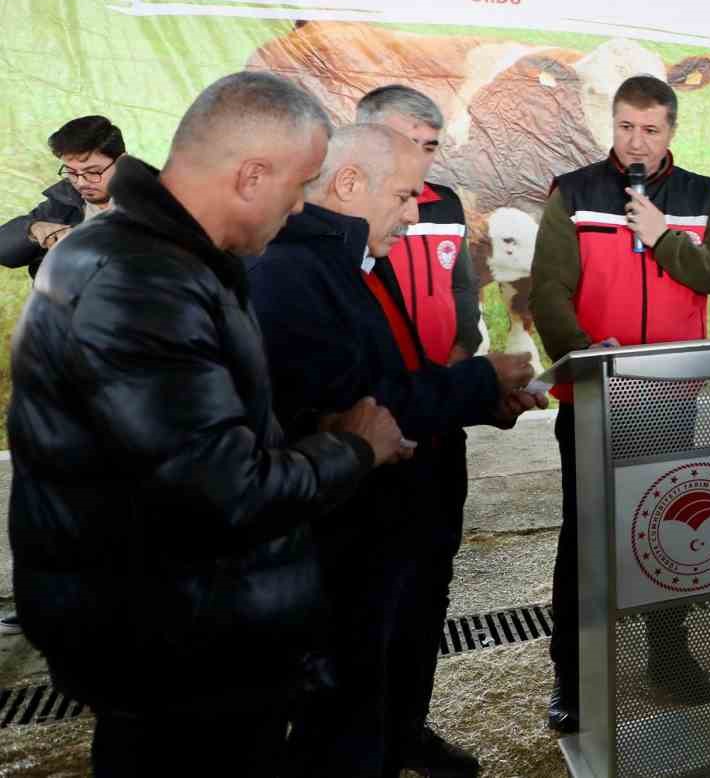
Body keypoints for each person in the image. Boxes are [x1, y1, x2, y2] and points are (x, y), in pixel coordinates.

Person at [6, 73, 412, 778]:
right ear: (253, 175)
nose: (299, 207)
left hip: (186, 630)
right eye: (300, 184)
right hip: (172, 649)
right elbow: (220, 489)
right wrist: (354, 448)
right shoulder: (139, 281)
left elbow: (191, 435)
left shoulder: (172, 261)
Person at [247, 124, 539, 778]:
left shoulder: (345, 262)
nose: (414, 214)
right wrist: (476, 381)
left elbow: (387, 389)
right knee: (340, 736)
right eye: (405, 196)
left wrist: (477, 399)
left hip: (379, 540)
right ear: (349, 183)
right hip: (339, 553)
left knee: (369, 707)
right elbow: (356, 409)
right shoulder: (293, 272)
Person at [530, 74, 710, 733]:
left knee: (669, 534)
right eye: (626, 126)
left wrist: (664, 238)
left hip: (671, 397)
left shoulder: (700, 196)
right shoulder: (574, 193)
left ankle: (668, 657)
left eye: (651, 130)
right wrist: (589, 359)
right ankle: (572, 673)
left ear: (672, 133)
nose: (636, 141)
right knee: (587, 539)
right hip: (596, 397)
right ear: (612, 125)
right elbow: (548, 293)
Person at [355, 85, 483, 778]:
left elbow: (462, 295)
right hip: (367, 441)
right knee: (371, 591)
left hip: (438, 425)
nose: (422, 163)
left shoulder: (448, 207)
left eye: (431, 147)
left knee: (431, 580)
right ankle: (361, 740)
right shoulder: (333, 216)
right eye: (410, 144)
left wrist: (461, 368)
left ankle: (409, 727)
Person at [0, 115, 126, 279]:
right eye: (72, 172)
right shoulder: (65, 201)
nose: (81, 182)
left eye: (93, 172)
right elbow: (3, 248)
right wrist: (32, 229)